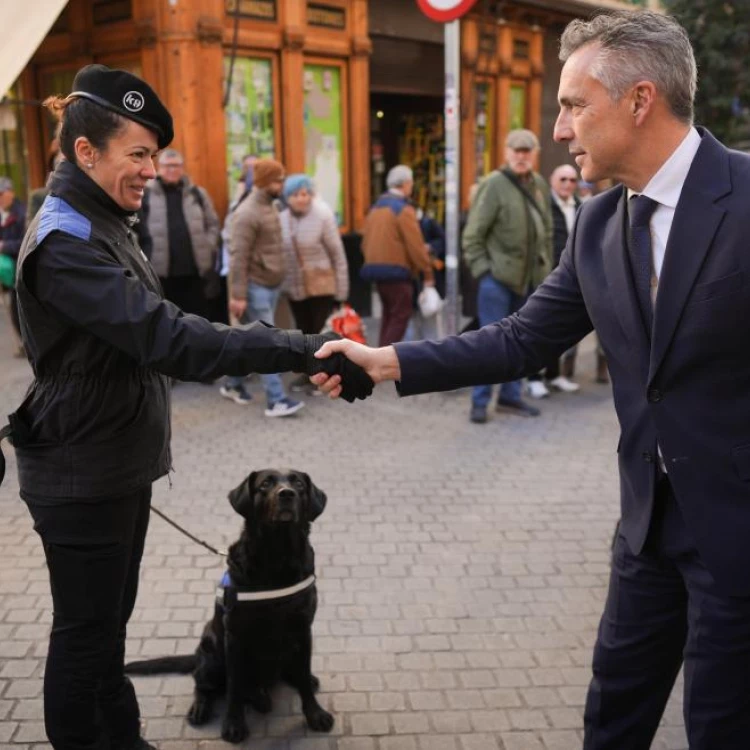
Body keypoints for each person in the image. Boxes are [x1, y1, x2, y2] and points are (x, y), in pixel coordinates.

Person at [313, 9, 750, 748]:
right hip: (645, 525)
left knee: (721, 726)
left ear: (640, 100)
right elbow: (521, 339)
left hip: (740, 536)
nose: (558, 130)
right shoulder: (600, 224)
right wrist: (390, 361)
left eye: (574, 105)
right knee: (612, 712)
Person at [0, 64, 370, 750]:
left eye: (152, 155)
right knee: (85, 641)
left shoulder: (100, 219)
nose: (150, 169)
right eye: (136, 154)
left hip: (111, 463)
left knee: (107, 631)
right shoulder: (65, 242)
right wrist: (299, 348)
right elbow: (169, 337)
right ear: (86, 152)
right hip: (83, 476)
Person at [461, 129, 553, 423]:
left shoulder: (538, 184)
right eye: (517, 150)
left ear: (534, 153)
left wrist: (546, 270)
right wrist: (485, 274)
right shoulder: (494, 185)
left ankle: (511, 397)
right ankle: (480, 400)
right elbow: (472, 236)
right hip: (497, 281)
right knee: (490, 345)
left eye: (527, 151)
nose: (521, 156)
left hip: (529, 280)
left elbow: (547, 232)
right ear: (506, 152)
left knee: (521, 343)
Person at [220, 158, 304, 416]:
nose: (282, 184)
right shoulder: (247, 213)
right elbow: (238, 256)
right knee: (268, 343)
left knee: (249, 342)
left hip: (271, 285)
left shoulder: (272, 205)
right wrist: (238, 295)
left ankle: (232, 384)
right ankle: (276, 400)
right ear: (266, 181)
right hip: (255, 288)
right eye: (278, 180)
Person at [279, 174, 349, 394]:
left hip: (321, 284)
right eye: (297, 194)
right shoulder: (281, 218)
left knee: (320, 333)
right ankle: (308, 374)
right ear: (287, 197)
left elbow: (338, 254)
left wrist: (342, 291)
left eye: (305, 193)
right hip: (295, 286)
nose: (302, 198)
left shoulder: (323, 215)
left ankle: (325, 376)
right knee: (303, 333)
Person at [136, 148, 221, 319]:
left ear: (182, 168)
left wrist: (208, 245)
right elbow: (135, 227)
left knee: (198, 320)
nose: (172, 170)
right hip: (161, 275)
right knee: (166, 322)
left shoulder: (197, 193)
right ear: (159, 167)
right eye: (167, 166)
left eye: (176, 166)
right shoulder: (146, 194)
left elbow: (213, 224)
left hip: (195, 274)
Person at [360, 165, 435, 347]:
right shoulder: (403, 209)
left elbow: (364, 243)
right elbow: (416, 247)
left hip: (376, 270)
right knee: (400, 317)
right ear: (406, 184)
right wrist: (427, 274)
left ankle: (379, 355)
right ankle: (381, 361)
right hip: (398, 272)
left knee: (388, 316)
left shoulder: (375, 208)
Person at [525, 164, 582, 397]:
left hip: (572, 277)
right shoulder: (543, 206)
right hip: (545, 275)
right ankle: (533, 377)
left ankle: (554, 375)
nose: (568, 184)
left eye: (572, 180)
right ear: (552, 181)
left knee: (561, 328)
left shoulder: (581, 206)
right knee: (538, 327)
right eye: (563, 179)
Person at [0, 176, 27, 350]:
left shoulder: (22, 213)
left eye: (2, 193)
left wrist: (4, 246)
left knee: (20, 309)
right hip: (6, 268)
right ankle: (23, 343)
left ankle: (27, 343)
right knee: (14, 309)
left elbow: (25, 242)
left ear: (11, 193)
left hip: (21, 266)